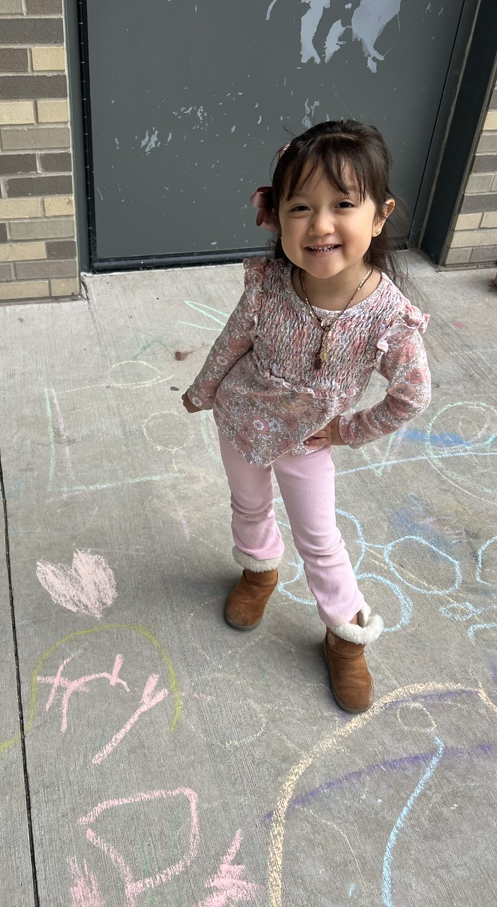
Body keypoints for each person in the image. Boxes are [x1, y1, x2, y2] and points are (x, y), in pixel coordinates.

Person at [182, 119, 431, 715]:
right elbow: (231, 341)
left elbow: (411, 396)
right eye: (301, 206)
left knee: (320, 539)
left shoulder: (388, 317)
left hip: (309, 440)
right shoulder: (267, 284)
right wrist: (205, 389)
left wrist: (348, 429)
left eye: (342, 204)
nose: (320, 224)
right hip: (242, 419)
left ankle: (344, 636)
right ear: (278, 216)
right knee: (247, 505)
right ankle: (259, 572)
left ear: (379, 215)